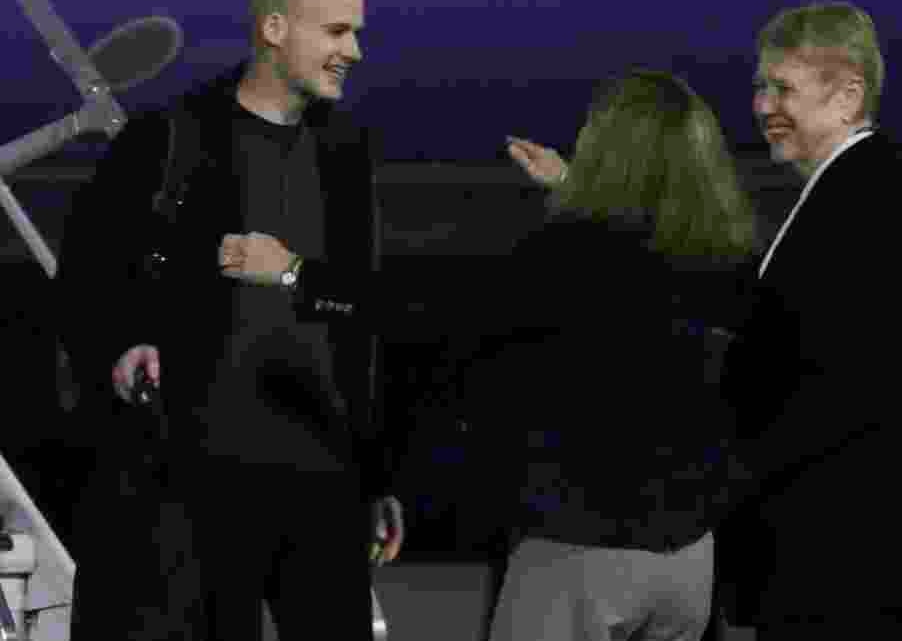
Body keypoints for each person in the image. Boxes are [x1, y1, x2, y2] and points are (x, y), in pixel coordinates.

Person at [512, 2, 902, 641]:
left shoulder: (863, 208)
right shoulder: (856, 190)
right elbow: (733, 303)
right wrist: (579, 189)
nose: (764, 106)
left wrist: (701, 489)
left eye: (784, 89)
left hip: (851, 559)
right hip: (869, 550)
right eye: (761, 87)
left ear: (848, 98)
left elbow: (829, 392)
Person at [227, 68, 760, 641]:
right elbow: (644, 265)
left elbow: (422, 306)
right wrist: (573, 186)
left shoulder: (565, 258)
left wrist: (294, 272)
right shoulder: (730, 265)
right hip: (689, 566)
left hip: (580, 556)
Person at [56, 0, 403, 640]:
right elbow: (84, 283)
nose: (354, 52)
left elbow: (364, 313)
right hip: (192, 488)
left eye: (357, 34)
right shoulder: (167, 140)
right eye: (337, 32)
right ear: (274, 29)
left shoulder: (348, 155)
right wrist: (122, 346)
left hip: (323, 483)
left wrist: (374, 477)